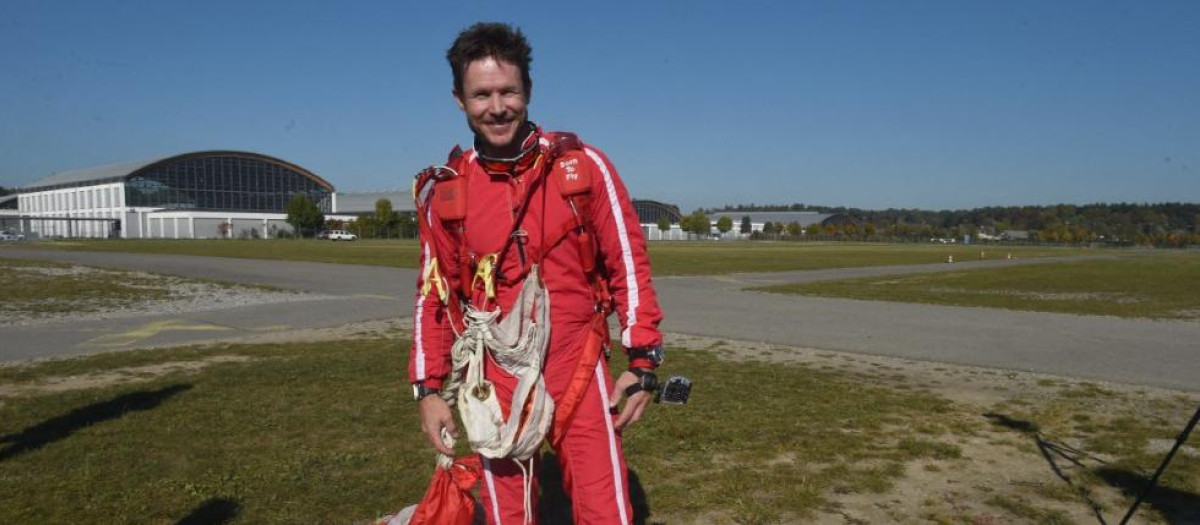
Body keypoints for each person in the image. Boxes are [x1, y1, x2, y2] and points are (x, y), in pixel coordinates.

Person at [408, 22, 665, 524]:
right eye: (482, 94)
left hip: (577, 359)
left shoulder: (582, 167)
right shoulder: (447, 193)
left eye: (509, 91)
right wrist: (428, 389)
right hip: (496, 372)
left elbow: (628, 263)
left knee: (605, 508)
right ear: (459, 99)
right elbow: (432, 296)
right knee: (508, 513)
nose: (497, 107)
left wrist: (643, 363)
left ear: (528, 90)